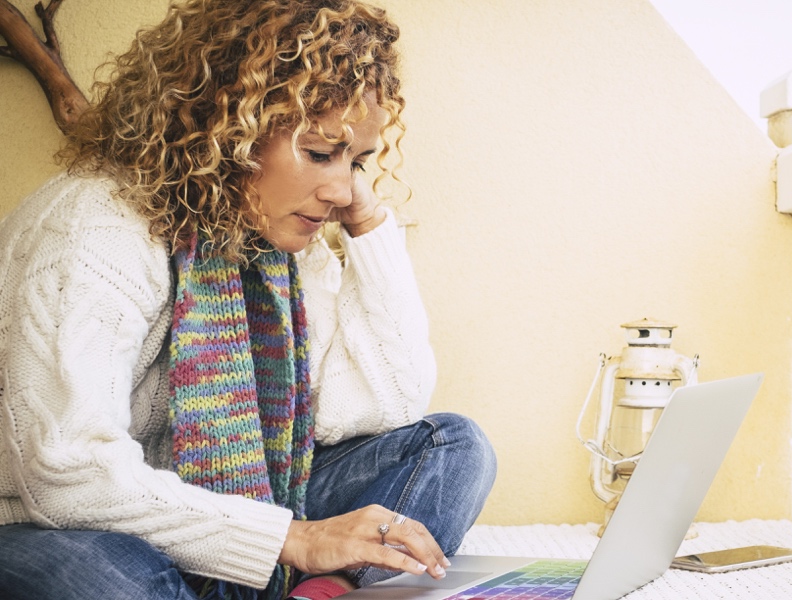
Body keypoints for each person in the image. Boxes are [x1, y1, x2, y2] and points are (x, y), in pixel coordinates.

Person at [0, 0, 496, 598]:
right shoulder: (93, 226)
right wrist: (297, 540)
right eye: (319, 152)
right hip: (44, 521)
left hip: (224, 501)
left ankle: (321, 591)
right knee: (118, 579)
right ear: (227, 128)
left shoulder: (273, 242)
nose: (340, 189)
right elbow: (66, 476)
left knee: (451, 446)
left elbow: (376, 407)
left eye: (357, 161)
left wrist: (367, 224)